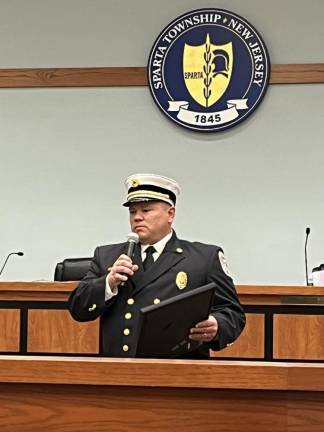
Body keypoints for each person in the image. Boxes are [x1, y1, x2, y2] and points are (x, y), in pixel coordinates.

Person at [68, 173, 245, 358]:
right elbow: (78, 309)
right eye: (132, 211)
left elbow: (233, 313)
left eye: (146, 210)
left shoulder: (204, 258)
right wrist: (108, 283)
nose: (137, 217)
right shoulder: (107, 256)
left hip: (180, 372)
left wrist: (217, 324)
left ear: (170, 214)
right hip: (119, 372)